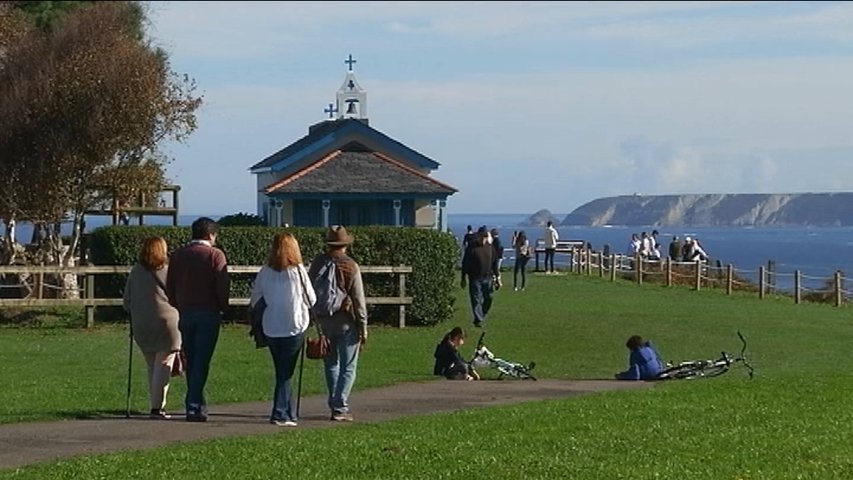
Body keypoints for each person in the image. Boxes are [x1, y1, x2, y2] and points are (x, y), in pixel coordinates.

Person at [166, 217, 230, 422]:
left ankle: (197, 404)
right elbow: (222, 284)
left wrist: (179, 304)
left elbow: (170, 286)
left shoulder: (178, 255)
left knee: (192, 359)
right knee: (202, 360)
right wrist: (223, 306)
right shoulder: (214, 255)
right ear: (211, 235)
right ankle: (193, 404)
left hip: (186, 312)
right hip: (208, 312)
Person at [250, 233, 316, 427]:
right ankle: (280, 413)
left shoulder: (265, 271)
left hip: (271, 326)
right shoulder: (299, 272)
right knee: (286, 372)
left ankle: (289, 412)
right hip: (294, 326)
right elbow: (311, 299)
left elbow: (255, 299)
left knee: (282, 370)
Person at [308, 226, 367, 423]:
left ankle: (334, 403)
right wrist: (363, 327)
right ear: (345, 245)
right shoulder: (350, 266)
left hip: (324, 321)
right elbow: (359, 300)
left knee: (331, 364)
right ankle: (340, 405)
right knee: (349, 366)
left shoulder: (318, 263)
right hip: (345, 321)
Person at [122, 236, 182, 420]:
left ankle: (156, 404)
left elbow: (127, 301)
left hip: (142, 324)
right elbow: (178, 294)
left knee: (152, 365)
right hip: (167, 323)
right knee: (163, 365)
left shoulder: (136, 270)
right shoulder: (168, 270)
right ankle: (157, 408)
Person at [461, 229, 494, 328]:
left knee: (489, 297)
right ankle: (479, 319)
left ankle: (481, 315)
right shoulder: (472, 248)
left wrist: (497, 276)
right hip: (475, 278)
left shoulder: (490, 247)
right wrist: (463, 277)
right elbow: (465, 263)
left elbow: (494, 262)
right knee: (476, 299)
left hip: (487, 277)